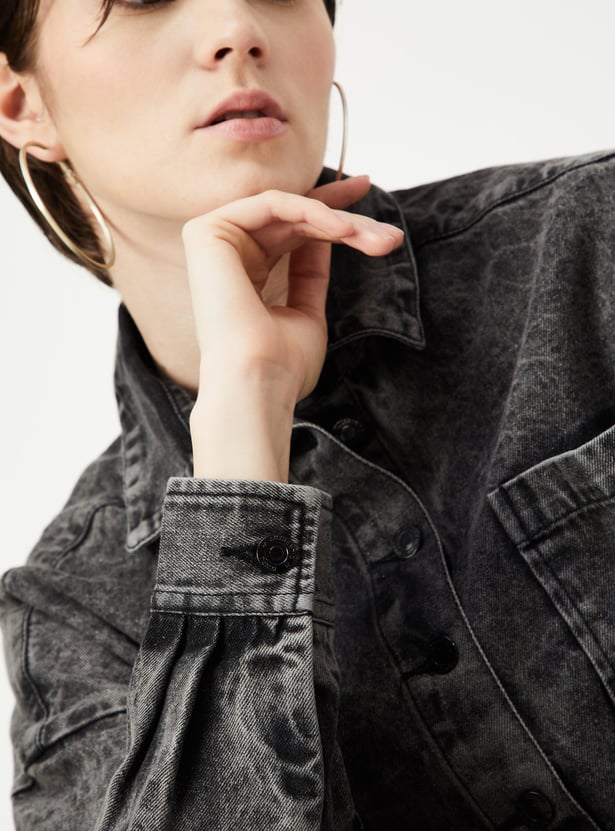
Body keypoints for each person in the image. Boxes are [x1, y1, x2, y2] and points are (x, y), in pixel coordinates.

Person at [1, 0, 614, 829]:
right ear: (21, 103)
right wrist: (244, 432)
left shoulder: (593, 242)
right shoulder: (76, 615)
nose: (238, 29)